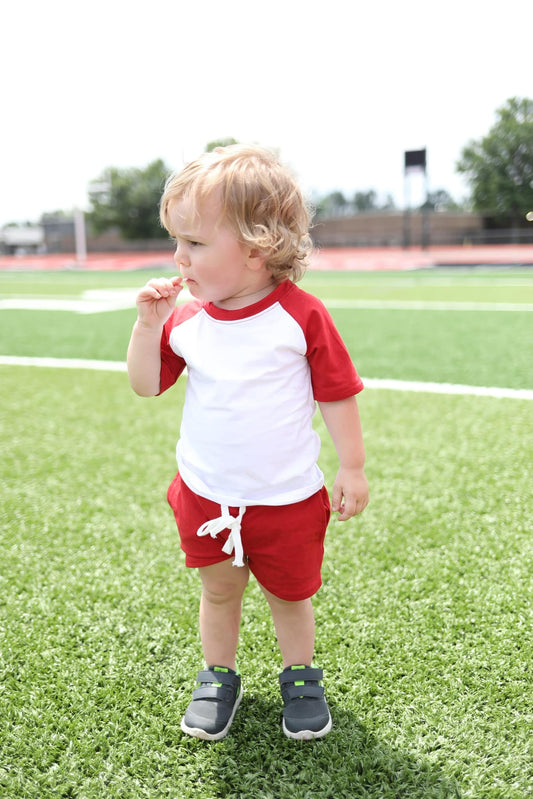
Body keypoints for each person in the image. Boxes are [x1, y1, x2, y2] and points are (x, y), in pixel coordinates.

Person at [127, 144, 369, 741]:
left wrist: (353, 467)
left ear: (258, 249)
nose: (179, 257)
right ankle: (218, 675)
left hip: (285, 498)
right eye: (176, 241)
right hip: (207, 493)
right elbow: (145, 385)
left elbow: (337, 392)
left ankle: (300, 677)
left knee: (290, 596)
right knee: (219, 591)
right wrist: (147, 327)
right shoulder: (187, 319)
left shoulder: (301, 316)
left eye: (195, 242)